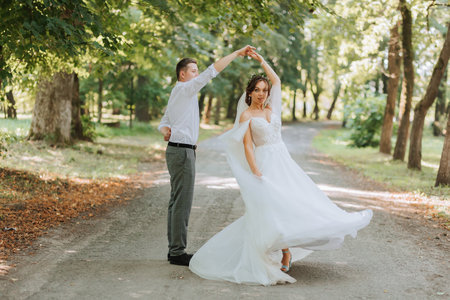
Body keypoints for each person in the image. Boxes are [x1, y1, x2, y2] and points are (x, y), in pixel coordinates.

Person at [188, 50, 373, 285]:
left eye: (264, 90)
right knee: (272, 208)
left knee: (296, 202)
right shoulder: (246, 115)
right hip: (264, 163)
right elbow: (247, 146)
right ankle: (285, 251)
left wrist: (262, 61)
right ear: (250, 92)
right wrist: (255, 170)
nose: (262, 94)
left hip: (283, 161)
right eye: (257, 90)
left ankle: (291, 245)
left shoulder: (272, 109)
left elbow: (277, 81)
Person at [158, 45, 255, 266]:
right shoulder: (184, 89)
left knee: (176, 201)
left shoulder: (179, 93)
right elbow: (212, 71)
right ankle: (177, 252)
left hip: (178, 149)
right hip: (182, 152)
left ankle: (174, 249)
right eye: (193, 70)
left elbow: (164, 121)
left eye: (196, 70)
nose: (196, 73)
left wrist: (165, 131)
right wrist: (237, 53)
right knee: (181, 203)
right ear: (183, 74)